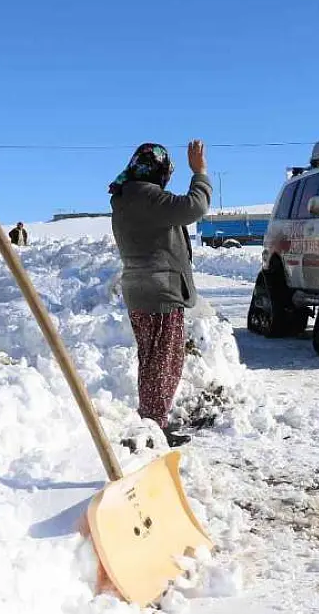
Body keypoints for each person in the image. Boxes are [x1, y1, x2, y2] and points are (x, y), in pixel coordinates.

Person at [110, 141, 211, 447]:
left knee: (154, 359)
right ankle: (154, 427)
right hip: (160, 290)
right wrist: (200, 172)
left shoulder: (127, 196)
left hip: (141, 290)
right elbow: (194, 207)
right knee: (164, 361)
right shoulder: (145, 195)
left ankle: (152, 421)